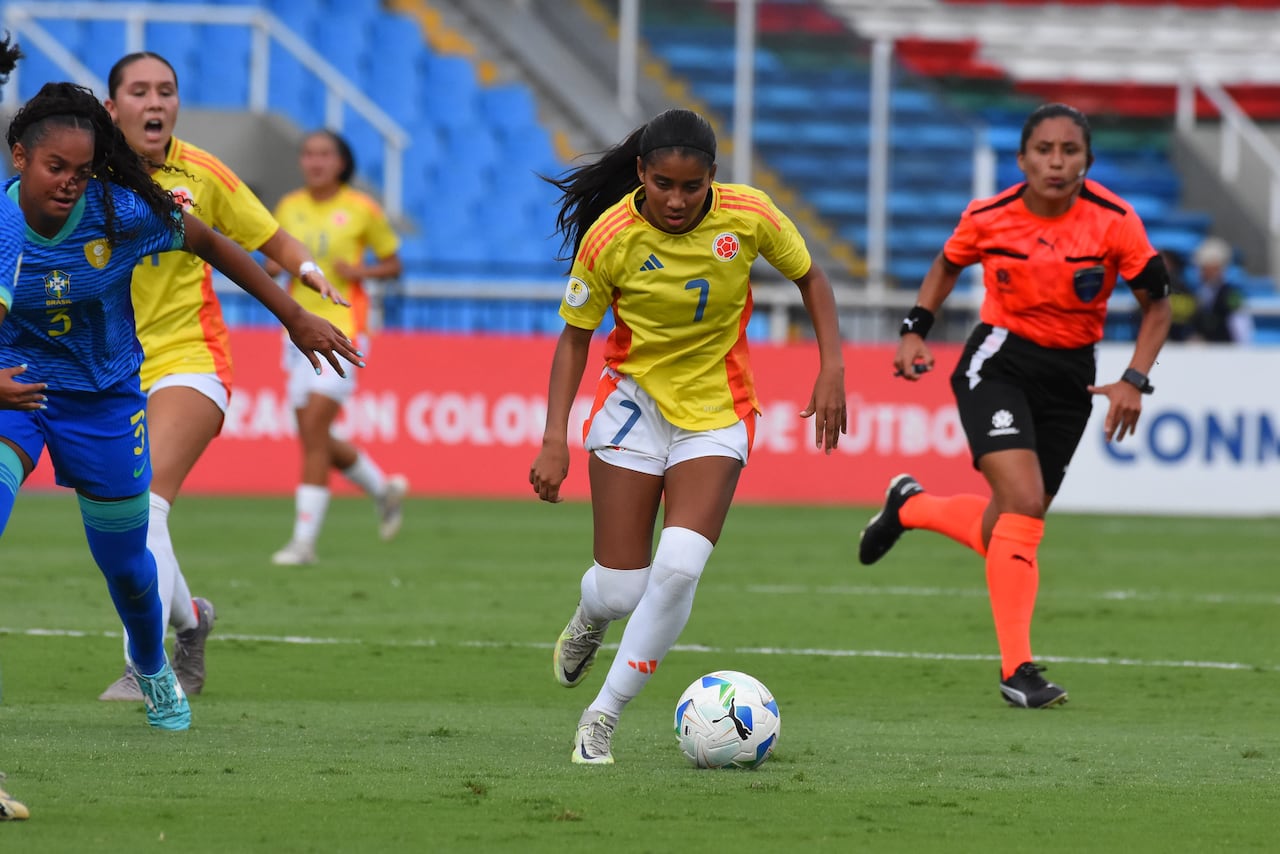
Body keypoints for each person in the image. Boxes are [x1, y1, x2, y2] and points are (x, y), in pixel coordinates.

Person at [0, 80, 363, 730]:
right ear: (19, 157)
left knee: (129, 566)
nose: (70, 183)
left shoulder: (123, 212)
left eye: (82, 171)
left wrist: (293, 317)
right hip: (15, 390)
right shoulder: (3, 231)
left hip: (103, 398)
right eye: (56, 168)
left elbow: (216, 244)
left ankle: (149, 659)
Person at [529, 108, 846, 764]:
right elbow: (574, 337)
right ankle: (590, 618)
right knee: (620, 588)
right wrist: (553, 437)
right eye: (664, 184)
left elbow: (811, 277)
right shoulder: (610, 236)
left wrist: (832, 366)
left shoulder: (750, 215)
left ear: (713, 179)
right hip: (630, 410)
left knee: (677, 569)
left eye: (692, 186)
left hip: (717, 410)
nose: (677, 199)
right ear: (641, 173)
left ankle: (602, 717)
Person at [856, 103, 1172, 709]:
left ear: (1087, 160)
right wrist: (913, 329)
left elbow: (1158, 304)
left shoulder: (1115, 221)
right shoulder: (989, 216)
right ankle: (1017, 670)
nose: (1056, 162)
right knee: (1026, 507)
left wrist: (1135, 378)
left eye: (1069, 151)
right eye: (1044, 150)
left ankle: (911, 506)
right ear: (1023, 158)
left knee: (1010, 525)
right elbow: (948, 264)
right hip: (997, 362)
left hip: (1074, 374)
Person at [94, 51, 350, 702]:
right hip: (106, 371)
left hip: (191, 357)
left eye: (168, 92)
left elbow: (267, 238)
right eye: (141, 92)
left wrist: (310, 273)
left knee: (144, 504)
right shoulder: (81, 176)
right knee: (123, 521)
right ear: (110, 106)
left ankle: (144, 668)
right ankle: (191, 622)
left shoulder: (201, 173)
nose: (156, 103)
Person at [266, 129, 405, 566]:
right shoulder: (289, 206)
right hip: (297, 329)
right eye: (308, 154)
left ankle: (303, 542)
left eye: (324, 154)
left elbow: (393, 262)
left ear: (341, 162)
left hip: (343, 328)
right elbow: (273, 257)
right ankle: (383, 489)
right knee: (315, 435)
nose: (315, 162)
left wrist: (361, 273)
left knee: (313, 436)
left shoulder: (362, 209)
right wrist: (272, 264)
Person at [1189, 236, 1253, 343]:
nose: (1201, 271)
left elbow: (1240, 325)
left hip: (1225, 348)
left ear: (1217, 268)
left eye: (1205, 267)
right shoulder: (1199, 292)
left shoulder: (1231, 294)